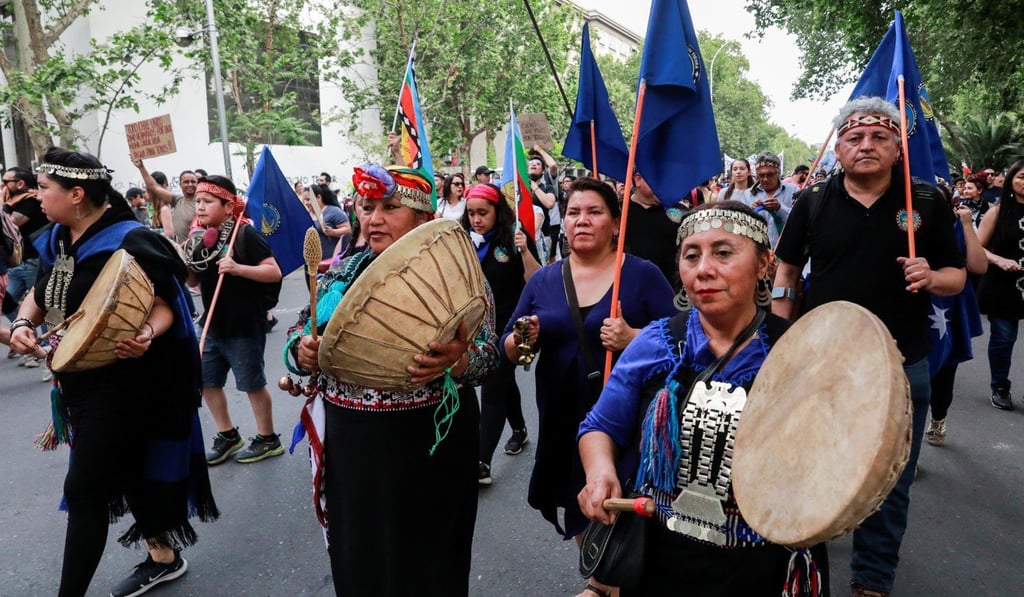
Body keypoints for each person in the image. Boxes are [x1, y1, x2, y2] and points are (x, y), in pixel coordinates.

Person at [578, 201, 828, 596]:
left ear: (765, 264)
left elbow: (836, 459)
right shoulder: (655, 342)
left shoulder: (801, 351)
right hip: (662, 559)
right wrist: (599, 474)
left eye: (724, 252)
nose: (704, 269)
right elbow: (600, 426)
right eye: (691, 255)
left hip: (766, 562)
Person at [772, 97, 966, 597]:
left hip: (903, 363)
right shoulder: (812, 201)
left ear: (899, 148)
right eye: (855, 138)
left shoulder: (925, 201)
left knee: (889, 480)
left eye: (880, 137)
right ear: (838, 147)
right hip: (821, 364)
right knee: (810, 461)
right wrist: (778, 341)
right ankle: (801, 554)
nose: (867, 145)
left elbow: (959, 275)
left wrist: (932, 275)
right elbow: (787, 274)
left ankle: (872, 581)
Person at [8, 147, 218, 597]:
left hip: (127, 383)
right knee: (125, 469)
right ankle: (163, 556)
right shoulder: (59, 238)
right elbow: (43, 291)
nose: (36, 196)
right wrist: (25, 321)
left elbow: (165, 307)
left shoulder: (129, 241)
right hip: (79, 382)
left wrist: (145, 332)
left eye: (44, 189)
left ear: (77, 194)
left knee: (85, 489)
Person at [286, 164, 498, 596]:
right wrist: (301, 352)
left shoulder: (459, 279)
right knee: (360, 553)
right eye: (367, 207)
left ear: (422, 220)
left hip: (431, 443)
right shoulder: (341, 276)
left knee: (430, 557)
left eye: (389, 208)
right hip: (354, 445)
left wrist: (458, 361)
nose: (374, 218)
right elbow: (297, 333)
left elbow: (490, 354)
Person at [502, 177, 676, 596]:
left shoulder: (641, 275)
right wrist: (523, 338)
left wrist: (634, 337)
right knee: (581, 507)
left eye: (594, 212)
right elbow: (507, 350)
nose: (582, 220)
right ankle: (601, 574)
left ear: (616, 224)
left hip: (626, 420)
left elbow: (681, 340)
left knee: (624, 503)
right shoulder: (544, 279)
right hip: (562, 417)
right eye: (574, 212)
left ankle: (609, 584)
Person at [186, 175, 285, 464]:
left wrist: (238, 268)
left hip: (243, 325)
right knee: (207, 381)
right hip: (212, 324)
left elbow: (273, 272)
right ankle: (227, 434)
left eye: (208, 201)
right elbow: (192, 278)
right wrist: (185, 261)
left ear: (229, 206)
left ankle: (268, 439)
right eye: (198, 202)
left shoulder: (245, 235)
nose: (200, 207)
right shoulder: (203, 237)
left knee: (251, 383)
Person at [462, 182, 541, 484]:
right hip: (476, 330)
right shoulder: (464, 241)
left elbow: (536, 281)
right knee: (503, 381)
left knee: (493, 387)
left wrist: (524, 251)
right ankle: (519, 430)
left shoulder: (515, 238)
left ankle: (481, 462)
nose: (477, 219)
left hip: (512, 328)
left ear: (498, 211)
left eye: (483, 212)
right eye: (471, 213)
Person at [926, 201, 986, 444]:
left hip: (949, 307)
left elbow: (979, 265)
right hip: (909, 306)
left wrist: (966, 224)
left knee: (944, 372)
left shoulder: (958, 227)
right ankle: (907, 449)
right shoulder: (903, 224)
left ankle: (938, 417)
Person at [976, 158, 1024, 410]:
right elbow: (977, 248)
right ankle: (1000, 386)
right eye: (1021, 177)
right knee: (1004, 338)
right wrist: (1000, 260)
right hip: (1003, 287)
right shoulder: (997, 211)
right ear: (1010, 181)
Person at [623, 172, 687, 291]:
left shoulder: (680, 212)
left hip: (671, 291)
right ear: (638, 179)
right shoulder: (618, 212)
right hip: (627, 289)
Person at [132, 160, 198, 244]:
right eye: (186, 182)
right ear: (180, 184)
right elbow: (153, 186)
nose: (190, 184)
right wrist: (141, 167)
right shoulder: (177, 200)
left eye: (193, 181)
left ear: (197, 183)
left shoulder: (202, 203)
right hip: (181, 252)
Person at [742, 152, 799, 248]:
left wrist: (779, 208)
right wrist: (751, 212)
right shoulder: (748, 195)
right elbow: (743, 225)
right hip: (760, 251)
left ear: (778, 173)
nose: (765, 179)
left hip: (787, 252)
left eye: (770, 174)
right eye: (761, 175)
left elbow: (799, 221)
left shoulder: (793, 191)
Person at [305, 183, 351, 258]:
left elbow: (348, 230)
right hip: (314, 261)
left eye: (308, 199)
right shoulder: (307, 214)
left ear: (318, 197)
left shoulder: (333, 211)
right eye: (304, 200)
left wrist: (334, 232)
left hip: (331, 259)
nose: (306, 203)